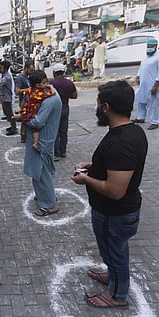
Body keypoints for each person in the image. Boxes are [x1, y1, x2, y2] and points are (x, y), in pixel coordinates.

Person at [71, 80, 148, 310]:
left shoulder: (121, 142)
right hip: (115, 213)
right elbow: (119, 168)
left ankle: (117, 295)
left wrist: (86, 178)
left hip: (115, 213)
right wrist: (94, 165)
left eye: (97, 104)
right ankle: (112, 275)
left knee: (117, 253)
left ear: (105, 107)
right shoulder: (131, 131)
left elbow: (115, 191)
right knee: (112, 252)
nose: (96, 108)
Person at [22, 70, 62, 217]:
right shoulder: (51, 93)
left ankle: (50, 205)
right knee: (44, 171)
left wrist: (22, 118)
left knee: (41, 173)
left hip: (43, 141)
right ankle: (45, 196)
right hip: (46, 139)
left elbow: (38, 121)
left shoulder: (48, 100)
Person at [14, 72, 57, 152]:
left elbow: (24, 99)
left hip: (27, 109)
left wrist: (21, 109)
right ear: (37, 85)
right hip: (34, 111)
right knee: (37, 128)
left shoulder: (29, 90)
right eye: (44, 83)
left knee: (25, 122)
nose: (46, 84)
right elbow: (53, 93)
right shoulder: (41, 93)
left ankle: (23, 132)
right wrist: (51, 87)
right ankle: (35, 143)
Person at [50, 63, 78, 161]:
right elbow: (74, 96)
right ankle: (63, 151)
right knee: (63, 132)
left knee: (55, 132)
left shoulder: (51, 84)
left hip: (54, 111)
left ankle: (56, 153)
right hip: (65, 110)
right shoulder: (69, 83)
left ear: (54, 72)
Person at [133, 38, 159, 130]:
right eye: (148, 46)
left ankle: (155, 121)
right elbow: (141, 67)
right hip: (143, 84)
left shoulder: (157, 57)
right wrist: (138, 76)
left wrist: (156, 85)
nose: (149, 48)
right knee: (141, 101)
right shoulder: (146, 56)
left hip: (153, 85)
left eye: (151, 46)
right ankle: (141, 117)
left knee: (153, 104)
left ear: (156, 46)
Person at [15, 61, 35, 143]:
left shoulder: (28, 77)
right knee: (24, 119)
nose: (32, 72)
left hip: (30, 102)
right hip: (24, 102)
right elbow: (17, 91)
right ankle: (23, 136)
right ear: (25, 69)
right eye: (30, 71)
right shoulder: (20, 78)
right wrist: (28, 90)